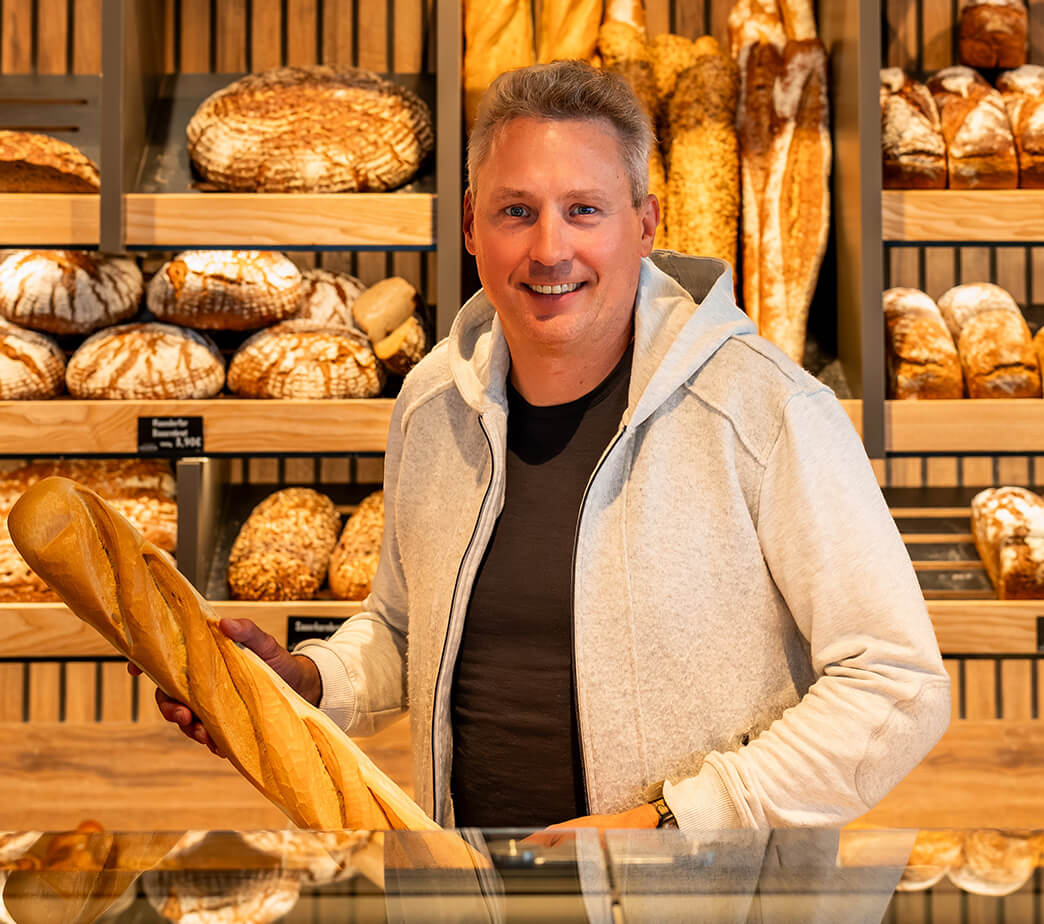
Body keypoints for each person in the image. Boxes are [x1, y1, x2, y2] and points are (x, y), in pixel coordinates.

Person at [148, 60, 950, 833]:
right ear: (471, 225)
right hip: (475, 891)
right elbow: (406, 627)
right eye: (516, 211)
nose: (549, 249)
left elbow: (896, 684)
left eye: (585, 211)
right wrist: (311, 679)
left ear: (644, 223)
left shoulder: (766, 413)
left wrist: (676, 819)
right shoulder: (434, 404)